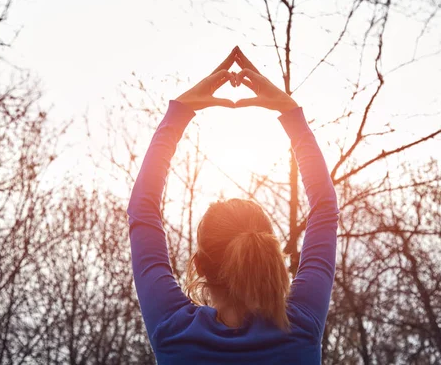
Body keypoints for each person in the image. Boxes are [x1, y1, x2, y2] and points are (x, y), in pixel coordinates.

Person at [127, 46, 340, 364]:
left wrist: (180, 111)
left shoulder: (173, 330)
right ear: (271, 258)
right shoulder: (300, 324)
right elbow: (324, 208)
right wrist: (289, 112)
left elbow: (142, 211)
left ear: (199, 266)